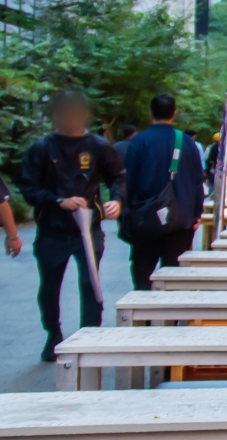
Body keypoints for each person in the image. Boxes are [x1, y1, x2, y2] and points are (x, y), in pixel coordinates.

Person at [18, 91, 125, 360]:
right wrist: (57, 200)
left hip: (88, 229)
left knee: (91, 282)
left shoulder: (98, 146)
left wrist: (117, 201)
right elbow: (28, 187)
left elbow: (118, 176)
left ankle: (89, 336)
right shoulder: (43, 148)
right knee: (50, 285)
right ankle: (53, 334)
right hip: (53, 229)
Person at [121, 93, 206, 291]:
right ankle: (170, 319)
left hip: (145, 218)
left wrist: (127, 214)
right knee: (174, 274)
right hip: (180, 218)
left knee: (143, 273)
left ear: (150, 113)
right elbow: (197, 181)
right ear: (174, 114)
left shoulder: (138, 142)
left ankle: (143, 317)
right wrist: (196, 214)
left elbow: (128, 181)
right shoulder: (186, 142)